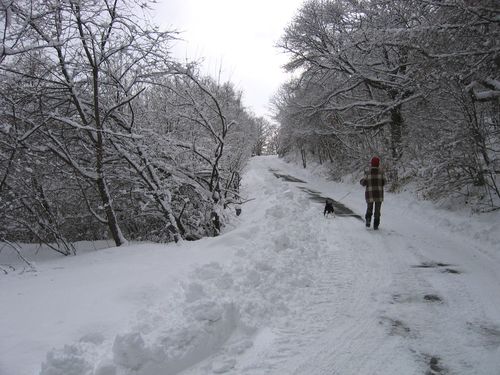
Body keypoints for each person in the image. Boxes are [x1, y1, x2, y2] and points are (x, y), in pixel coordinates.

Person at [360, 156, 386, 230]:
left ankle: (368, 221)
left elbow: (363, 183)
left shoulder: (368, 173)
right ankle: (376, 224)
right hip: (379, 195)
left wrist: (361, 181)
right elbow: (384, 182)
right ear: (378, 164)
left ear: (372, 164)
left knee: (369, 208)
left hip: (370, 194)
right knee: (377, 210)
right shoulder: (381, 173)